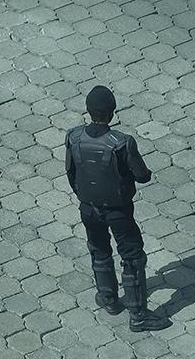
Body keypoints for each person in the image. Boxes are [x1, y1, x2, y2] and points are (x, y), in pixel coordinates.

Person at [64, 86, 166, 333]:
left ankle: (108, 298)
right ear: (112, 113)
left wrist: (83, 196)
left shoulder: (73, 136)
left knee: (99, 249)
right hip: (118, 212)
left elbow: (70, 172)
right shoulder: (122, 143)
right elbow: (142, 176)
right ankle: (139, 315)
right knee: (132, 257)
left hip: (88, 208)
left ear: (88, 111)